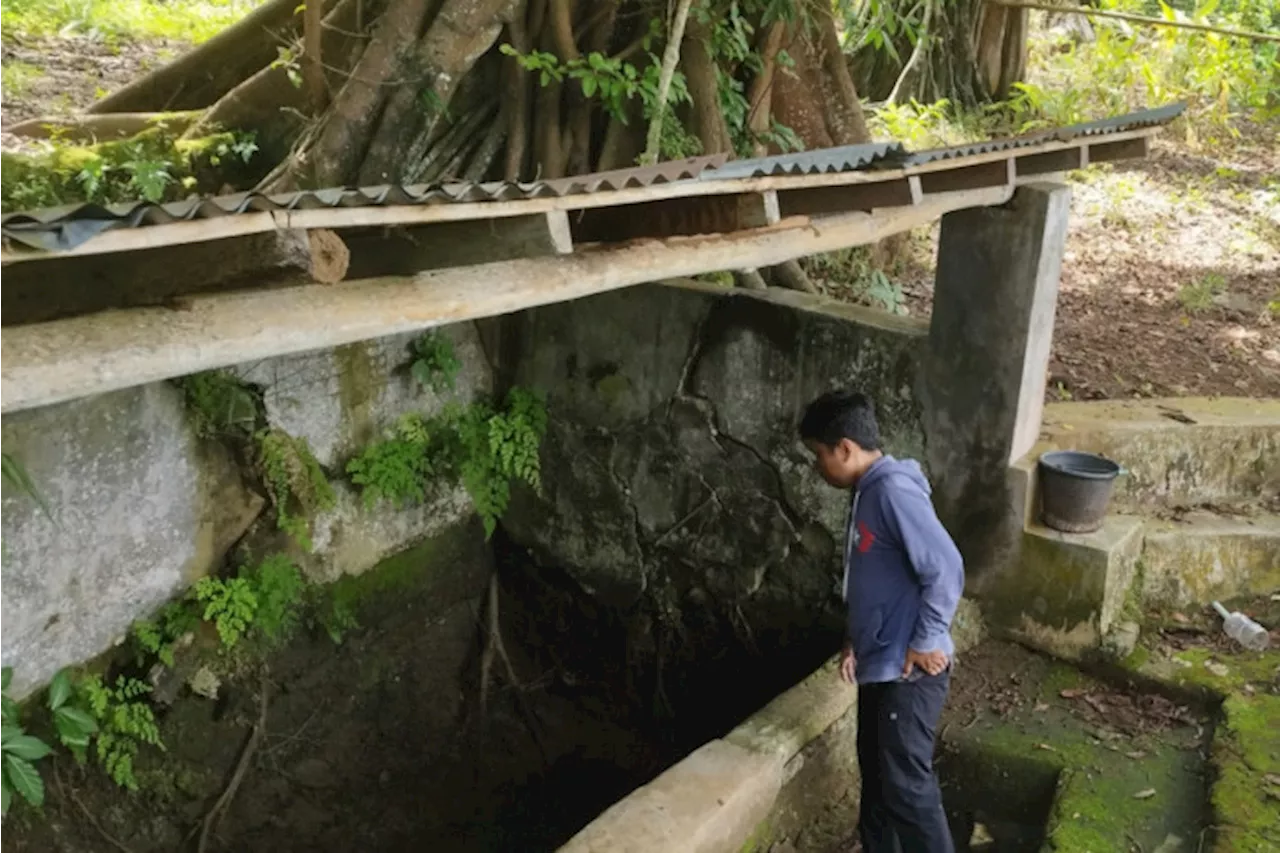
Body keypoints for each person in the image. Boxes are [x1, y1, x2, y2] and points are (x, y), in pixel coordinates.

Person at [799, 389, 963, 853]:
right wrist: (855, 638)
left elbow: (945, 567)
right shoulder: (868, 491)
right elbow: (876, 578)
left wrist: (926, 638)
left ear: (845, 449)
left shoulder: (892, 491)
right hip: (881, 663)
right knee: (878, 778)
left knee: (906, 788)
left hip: (907, 672)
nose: (817, 466)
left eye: (819, 455)